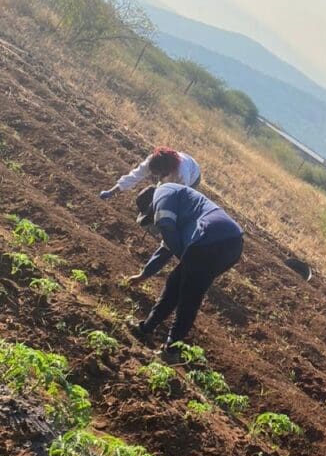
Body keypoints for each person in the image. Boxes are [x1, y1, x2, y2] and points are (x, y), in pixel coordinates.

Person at [127, 183, 243, 352]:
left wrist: (184, 257)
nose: (154, 221)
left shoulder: (162, 195)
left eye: (151, 216)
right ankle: (145, 328)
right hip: (232, 244)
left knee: (188, 297)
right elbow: (166, 248)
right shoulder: (179, 204)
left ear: (151, 206)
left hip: (209, 238)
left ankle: (171, 350)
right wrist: (144, 275)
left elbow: (166, 226)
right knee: (175, 285)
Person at [98, 147, 201, 201]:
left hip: (193, 176)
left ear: (164, 171)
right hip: (174, 169)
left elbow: (180, 195)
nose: (152, 175)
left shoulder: (181, 174)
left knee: (169, 196)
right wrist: (111, 192)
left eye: (156, 173)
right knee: (159, 190)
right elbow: (135, 176)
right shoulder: (152, 160)